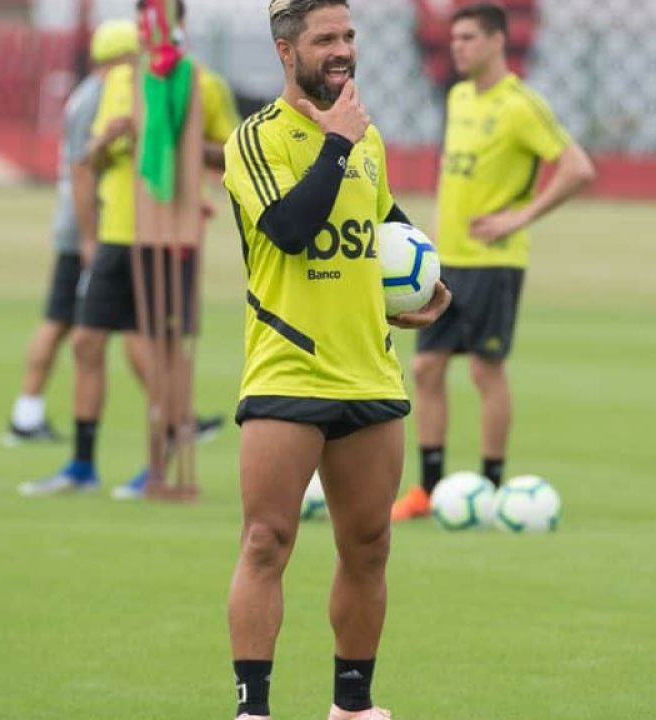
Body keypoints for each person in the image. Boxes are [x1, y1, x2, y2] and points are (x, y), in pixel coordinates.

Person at [221, 2, 450, 718]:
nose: (342, 50)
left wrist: (433, 284)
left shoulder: (366, 141)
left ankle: (352, 706)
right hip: (288, 369)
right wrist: (337, 144)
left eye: (348, 36)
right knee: (267, 542)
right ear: (287, 52)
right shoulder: (256, 139)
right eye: (326, 39)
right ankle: (252, 709)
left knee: (370, 544)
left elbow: (388, 227)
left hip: (368, 371)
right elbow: (289, 229)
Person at [19, 0, 239, 499]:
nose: (148, 28)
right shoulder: (120, 82)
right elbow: (89, 158)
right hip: (117, 230)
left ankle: (157, 466)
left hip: (168, 231)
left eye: (157, 17)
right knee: (87, 342)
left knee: (160, 351)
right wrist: (109, 143)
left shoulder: (201, 82)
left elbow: (231, 153)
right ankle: (81, 464)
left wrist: (190, 164)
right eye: (143, 19)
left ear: (178, 23)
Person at [391, 2, 595, 521]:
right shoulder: (458, 97)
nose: (455, 47)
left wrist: (517, 219)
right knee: (426, 366)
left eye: (467, 39)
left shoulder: (520, 105)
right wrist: (431, 240)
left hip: (494, 262)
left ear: (496, 42)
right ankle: (429, 488)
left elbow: (577, 169)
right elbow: (452, 178)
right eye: (453, 38)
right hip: (447, 260)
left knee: (485, 371)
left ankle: (491, 486)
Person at [2, 20, 140, 446]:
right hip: (88, 226)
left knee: (61, 321)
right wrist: (89, 238)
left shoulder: (84, 94)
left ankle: (26, 415)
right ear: (121, 57)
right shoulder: (99, 97)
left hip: (80, 223)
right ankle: (175, 421)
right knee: (84, 323)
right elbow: (83, 170)